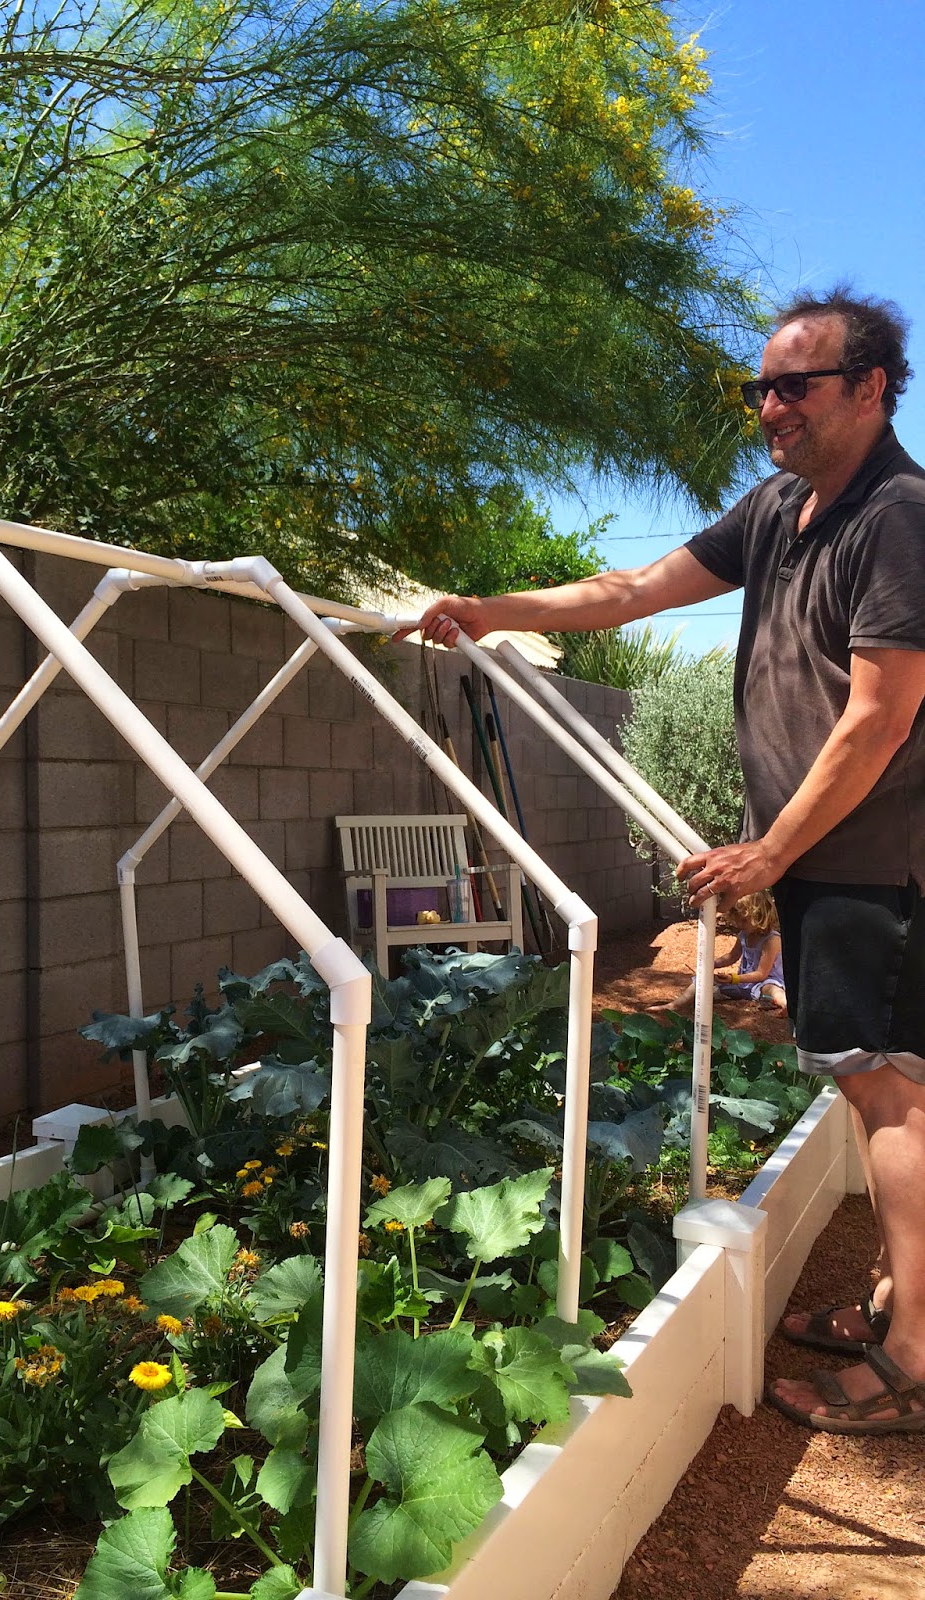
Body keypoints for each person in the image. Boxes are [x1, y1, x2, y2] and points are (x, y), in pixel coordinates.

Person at [400, 287, 925, 1434]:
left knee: (891, 1091)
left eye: (797, 384)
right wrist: (493, 609)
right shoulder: (781, 506)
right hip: (826, 864)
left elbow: (881, 716)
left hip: (875, 862)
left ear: (873, 386)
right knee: (873, 1077)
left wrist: (768, 851)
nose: (770, 405)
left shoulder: (899, 516)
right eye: (762, 386)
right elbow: (633, 590)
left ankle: (915, 1360)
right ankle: (899, 1301)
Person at [670, 890, 786, 1014]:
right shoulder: (744, 935)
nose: (739, 924)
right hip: (742, 984)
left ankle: (785, 1004)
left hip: (763, 983)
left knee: (771, 989)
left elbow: (761, 974)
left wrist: (733, 978)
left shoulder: (771, 940)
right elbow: (731, 957)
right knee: (706, 979)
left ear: (760, 915)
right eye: (737, 920)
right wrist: (711, 964)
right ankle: (675, 1005)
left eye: (744, 921)